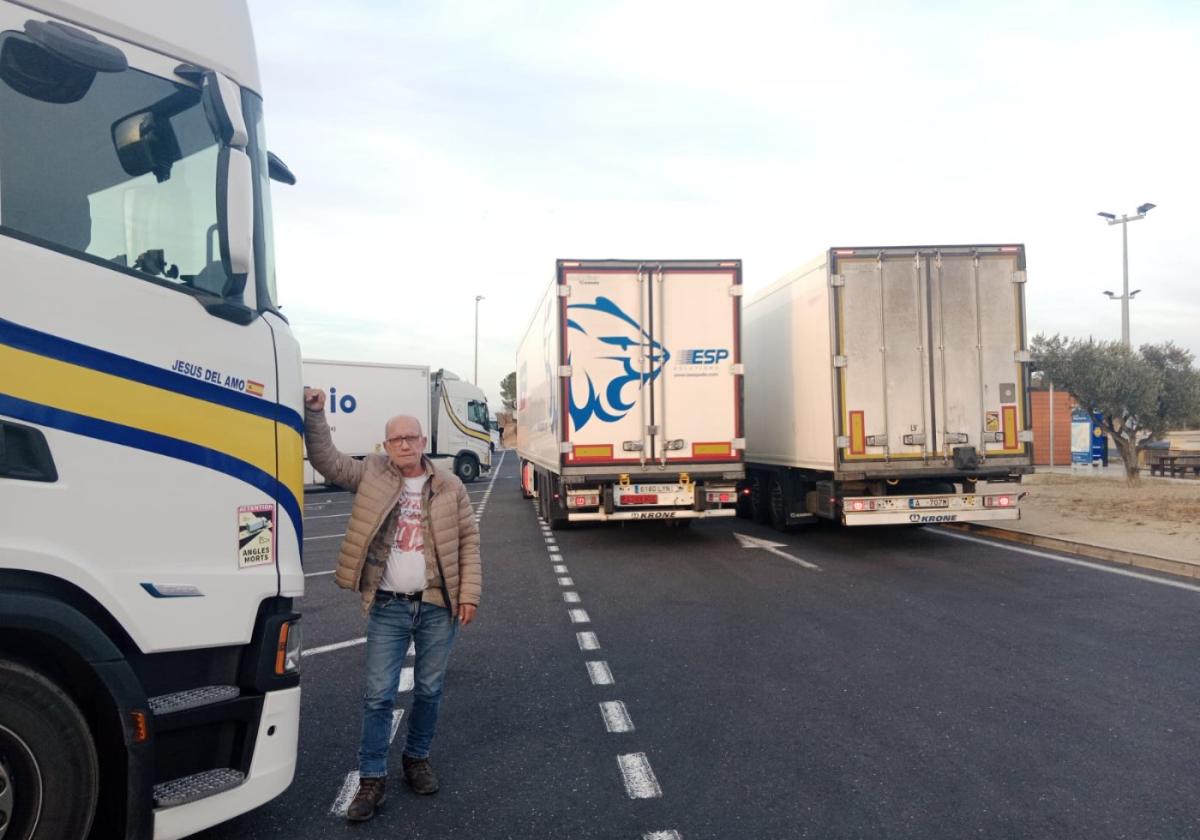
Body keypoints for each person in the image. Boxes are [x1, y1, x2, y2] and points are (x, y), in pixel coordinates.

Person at [303, 388, 481, 823]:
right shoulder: (372, 474)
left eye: (411, 437)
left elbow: (468, 541)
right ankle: (372, 778)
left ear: (423, 442)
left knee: (429, 690)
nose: (404, 444)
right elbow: (327, 460)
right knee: (378, 696)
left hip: (438, 605)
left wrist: (470, 593)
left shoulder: (450, 485)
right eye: (395, 439)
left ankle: (416, 759)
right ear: (385, 446)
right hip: (388, 606)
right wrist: (315, 416)